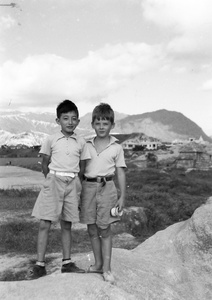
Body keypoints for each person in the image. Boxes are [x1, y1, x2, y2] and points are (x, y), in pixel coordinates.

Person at [28, 99, 91, 280]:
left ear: (78, 121)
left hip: (72, 183)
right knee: (45, 223)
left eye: (74, 119)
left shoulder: (81, 142)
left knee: (67, 224)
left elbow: (82, 165)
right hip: (53, 180)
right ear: (58, 121)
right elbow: (45, 164)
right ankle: (40, 264)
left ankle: (67, 263)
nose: (70, 122)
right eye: (65, 118)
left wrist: (76, 184)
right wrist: (51, 179)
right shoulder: (50, 139)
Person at [80, 103, 126, 284]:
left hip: (107, 188)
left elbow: (121, 171)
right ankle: (98, 263)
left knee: (105, 229)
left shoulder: (117, 147)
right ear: (92, 124)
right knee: (91, 228)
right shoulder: (86, 145)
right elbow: (80, 170)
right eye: (98, 123)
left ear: (112, 125)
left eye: (105, 123)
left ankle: (107, 269)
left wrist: (123, 196)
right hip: (88, 188)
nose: (101, 127)